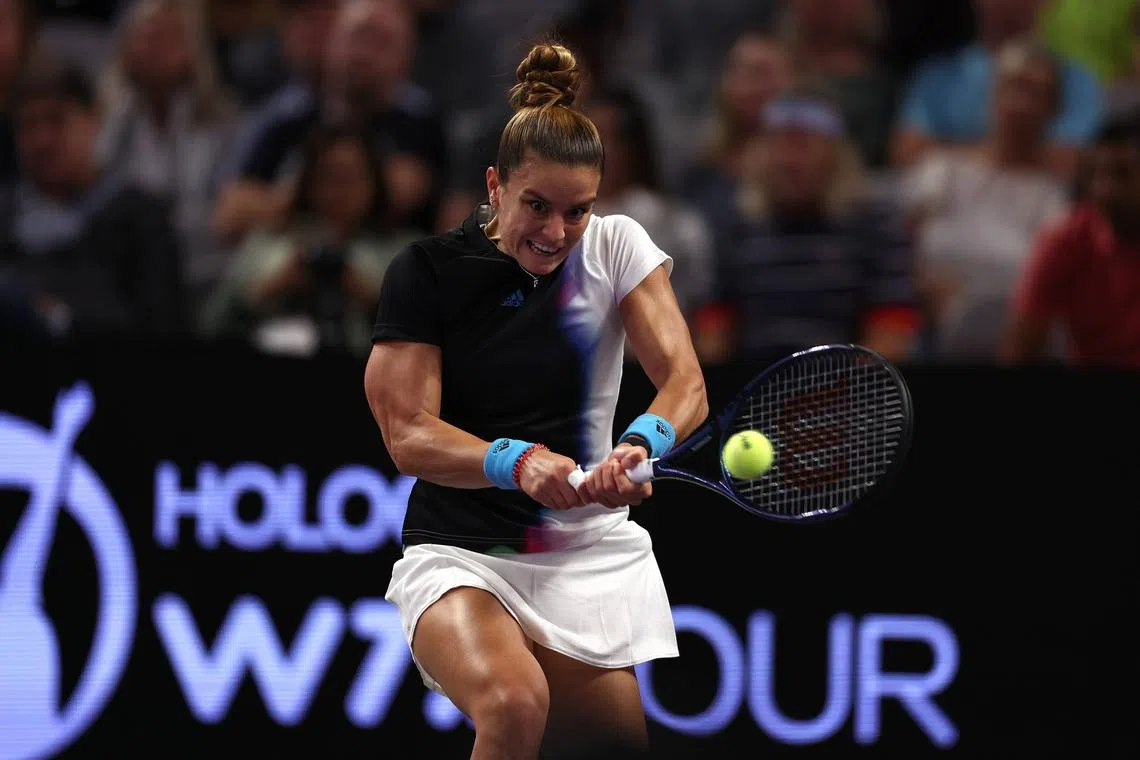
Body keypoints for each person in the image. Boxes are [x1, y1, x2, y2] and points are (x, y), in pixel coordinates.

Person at [363, 42, 708, 760]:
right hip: (461, 551)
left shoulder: (616, 249)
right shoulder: (427, 272)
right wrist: (514, 462)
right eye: (537, 206)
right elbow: (407, 435)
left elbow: (686, 382)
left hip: (580, 554)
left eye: (577, 211)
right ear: (495, 184)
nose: (555, 233)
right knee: (514, 705)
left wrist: (641, 443)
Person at [1001, 109, 1140, 367]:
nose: (1104, 189)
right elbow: (1018, 352)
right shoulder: (1063, 242)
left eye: (1123, 174)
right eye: (1096, 174)